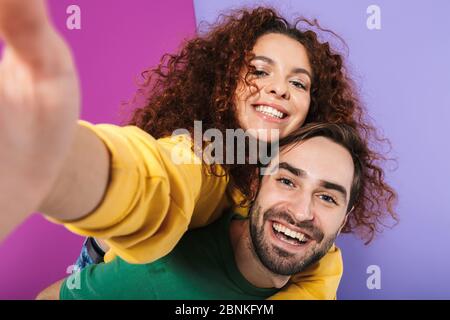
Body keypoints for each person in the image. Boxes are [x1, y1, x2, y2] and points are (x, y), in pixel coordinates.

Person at [0, 0, 396, 300]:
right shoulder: (205, 155)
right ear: (224, 83)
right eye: (259, 71)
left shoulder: (313, 230)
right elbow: (153, 178)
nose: (278, 88)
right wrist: (56, 160)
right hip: (109, 263)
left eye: (299, 83)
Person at [36, 122, 386, 300]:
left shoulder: (321, 275)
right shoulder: (163, 272)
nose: (302, 211)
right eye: (288, 182)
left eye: (327, 198)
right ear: (255, 186)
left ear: (345, 217)